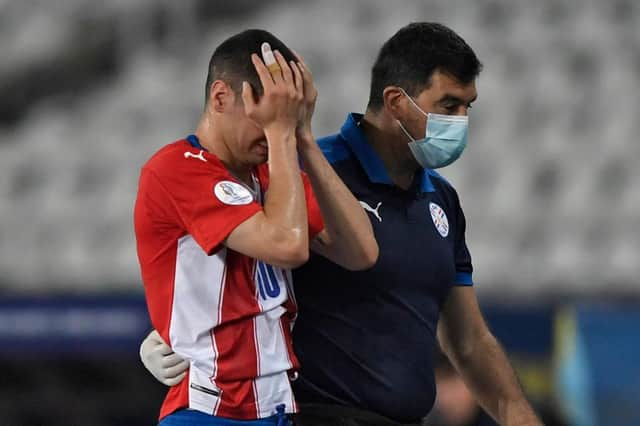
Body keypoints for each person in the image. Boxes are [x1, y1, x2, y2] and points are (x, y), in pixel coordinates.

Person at [140, 23, 542, 425]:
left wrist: (520, 417)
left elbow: (463, 336)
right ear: (396, 102)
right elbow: (246, 256)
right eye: (449, 106)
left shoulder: (440, 199)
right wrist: (170, 333)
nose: (460, 121)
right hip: (292, 412)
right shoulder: (279, 168)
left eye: (466, 108)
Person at [134, 29, 377, 426]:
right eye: (262, 115)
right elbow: (288, 245)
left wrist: (304, 138)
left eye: (282, 116)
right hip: (210, 409)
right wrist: (282, 135)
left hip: (276, 407)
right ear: (219, 97)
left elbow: (361, 251)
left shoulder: (270, 174)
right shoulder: (176, 167)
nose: (270, 128)